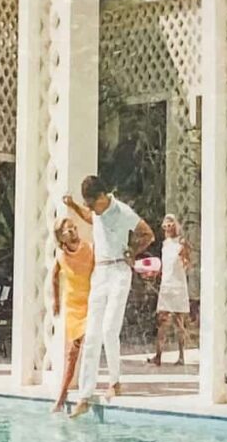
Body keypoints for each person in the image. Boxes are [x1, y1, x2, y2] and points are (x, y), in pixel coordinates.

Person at [64, 172, 151, 414]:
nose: (91, 209)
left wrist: (133, 251)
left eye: (92, 203)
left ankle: (115, 382)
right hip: (100, 273)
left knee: (109, 329)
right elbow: (89, 216)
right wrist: (73, 206)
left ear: (103, 196)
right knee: (92, 335)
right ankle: (85, 395)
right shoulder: (96, 211)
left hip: (119, 271)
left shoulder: (123, 212)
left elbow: (148, 234)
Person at [48, 216, 93, 414]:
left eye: (74, 227)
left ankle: (86, 391)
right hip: (73, 306)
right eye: (68, 230)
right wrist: (56, 301)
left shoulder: (89, 248)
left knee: (86, 345)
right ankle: (62, 394)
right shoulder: (61, 256)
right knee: (72, 353)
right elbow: (54, 277)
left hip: (91, 303)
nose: (74, 231)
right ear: (61, 237)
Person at [151, 214, 191, 366]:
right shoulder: (165, 244)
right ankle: (158, 356)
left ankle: (181, 356)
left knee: (179, 322)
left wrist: (184, 260)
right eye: (166, 226)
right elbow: (164, 264)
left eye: (171, 225)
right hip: (166, 285)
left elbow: (188, 262)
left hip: (178, 285)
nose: (168, 228)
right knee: (162, 321)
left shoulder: (181, 242)